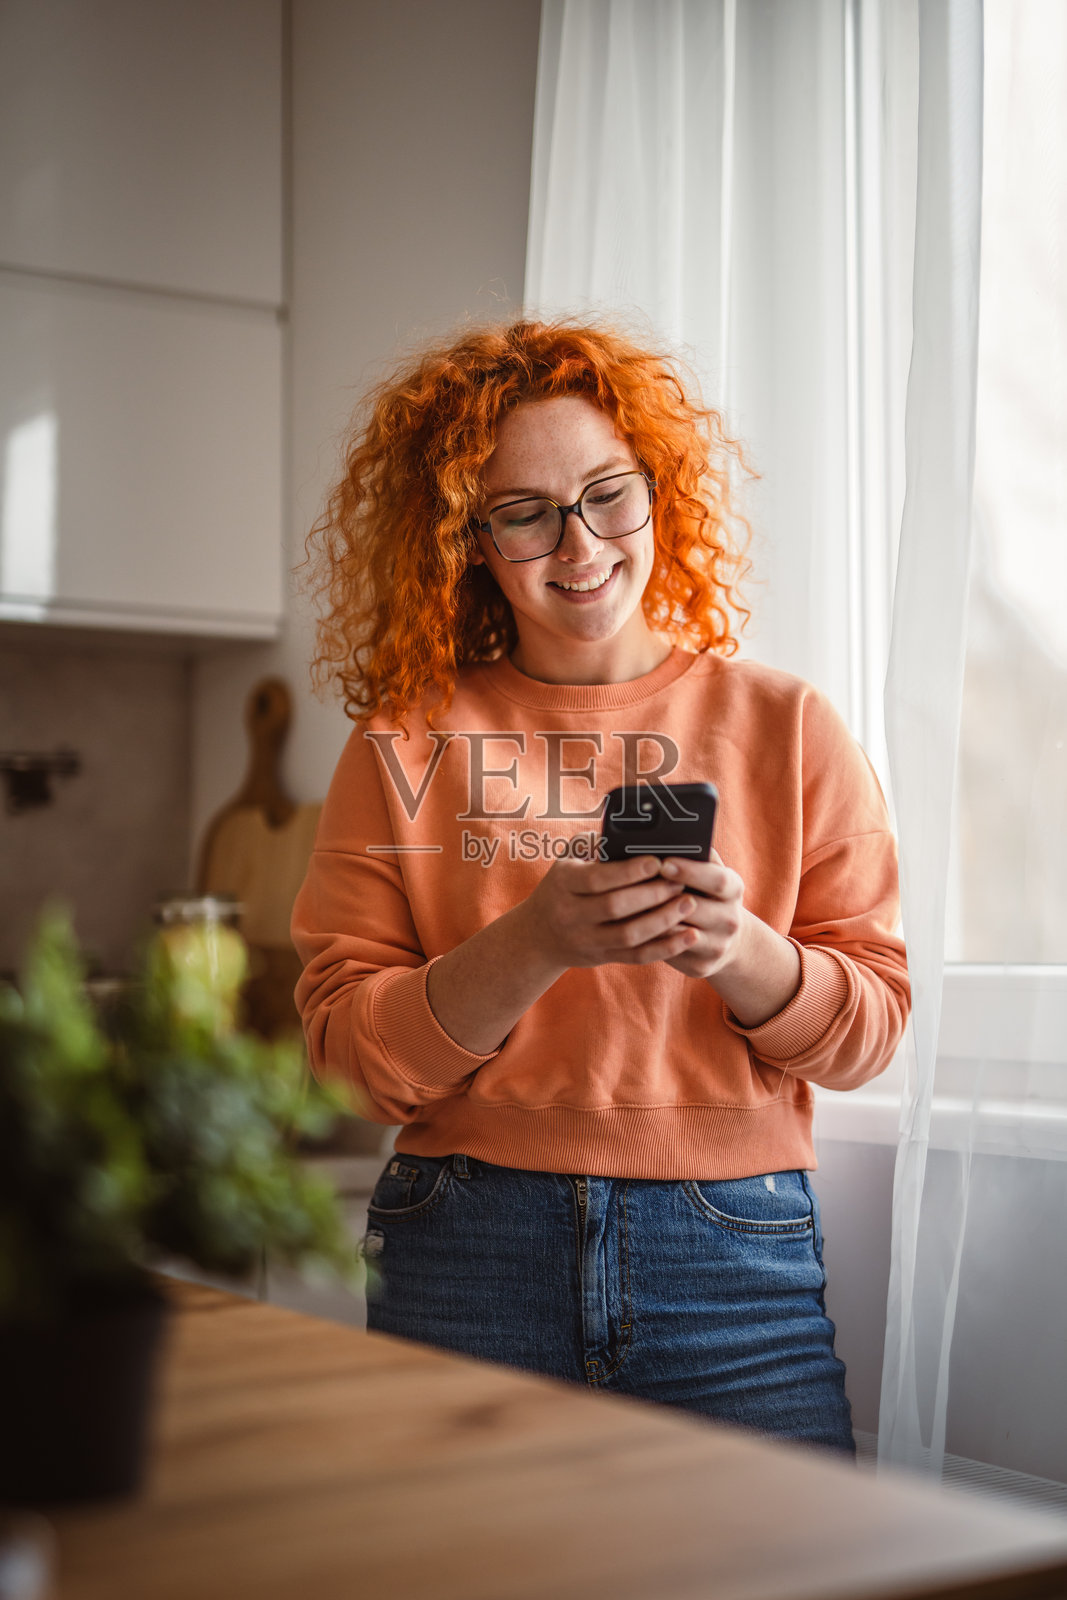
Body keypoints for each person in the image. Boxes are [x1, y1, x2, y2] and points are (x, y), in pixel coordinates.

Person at [292, 319, 910, 1455]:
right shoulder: (404, 740)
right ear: (467, 540)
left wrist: (739, 950)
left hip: (730, 1258)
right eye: (522, 512)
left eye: (605, 494)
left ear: (655, 493)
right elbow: (344, 1059)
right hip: (466, 1244)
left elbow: (868, 1034)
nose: (576, 543)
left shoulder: (790, 727)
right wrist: (533, 941)